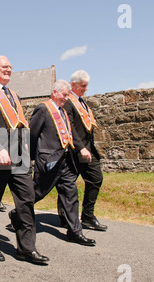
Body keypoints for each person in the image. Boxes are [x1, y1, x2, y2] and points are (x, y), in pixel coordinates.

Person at [0, 55, 49, 265]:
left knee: (27, 200)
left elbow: (19, 123)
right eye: (4, 67)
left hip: (19, 157)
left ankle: (27, 248)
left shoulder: (14, 95)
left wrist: (24, 144)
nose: (9, 70)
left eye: (10, 67)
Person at [27, 80, 96, 246]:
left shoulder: (63, 112)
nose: (66, 98)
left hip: (66, 162)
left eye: (67, 95)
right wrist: (35, 158)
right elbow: (32, 136)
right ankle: (18, 214)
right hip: (49, 162)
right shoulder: (43, 109)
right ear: (55, 93)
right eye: (64, 95)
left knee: (71, 195)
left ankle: (75, 232)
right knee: (37, 193)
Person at [62, 70, 107, 231]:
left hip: (88, 150)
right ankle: (64, 215)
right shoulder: (67, 102)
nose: (86, 89)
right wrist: (80, 148)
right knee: (67, 185)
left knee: (96, 179)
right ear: (73, 85)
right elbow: (70, 127)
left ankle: (87, 216)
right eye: (83, 86)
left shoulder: (82, 102)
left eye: (87, 86)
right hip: (74, 151)